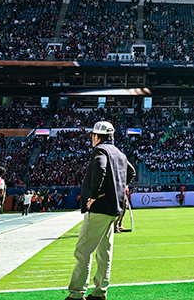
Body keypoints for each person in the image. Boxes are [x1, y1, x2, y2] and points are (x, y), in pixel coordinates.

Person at [66, 121, 132, 300]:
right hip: (113, 210)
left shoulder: (100, 151)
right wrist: (119, 187)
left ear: (97, 136)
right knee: (104, 253)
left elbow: (101, 168)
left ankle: (77, 293)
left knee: (83, 251)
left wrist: (94, 195)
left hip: (99, 209)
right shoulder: (118, 152)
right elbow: (131, 172)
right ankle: (100, 292)